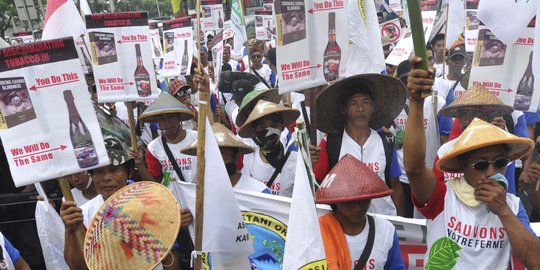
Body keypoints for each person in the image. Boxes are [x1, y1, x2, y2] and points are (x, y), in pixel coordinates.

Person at [404, 57, 538, 268]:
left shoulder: (512, 205)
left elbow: (535, 261)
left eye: (500, 162)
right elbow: (414, 168)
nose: (491, 172)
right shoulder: (443, 198)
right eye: (481, 165)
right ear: (462, 166)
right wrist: (417, 101)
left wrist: (502, 210)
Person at [60, 137, 180, 270]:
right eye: (98, 172)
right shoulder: (83, 214)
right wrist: (69, 230)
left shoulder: (151, 200)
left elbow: (169, 256)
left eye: (113, 170)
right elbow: (77, 267)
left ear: (129, 172)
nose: (106, 178)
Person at [313, 74, 407, 216]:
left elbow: (395, 185)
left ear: (373, 107)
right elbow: (318, 185)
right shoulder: (331, 143)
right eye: (353, 103)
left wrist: (402, 224)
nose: (360, 109)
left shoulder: (386, 141)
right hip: (345, 224)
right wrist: (310, 162)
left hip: (384, 221)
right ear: (344, 109)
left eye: (365, 102)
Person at [317, 154, 405, 269]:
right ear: (336, 201)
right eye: (350, 202)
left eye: (364, 199)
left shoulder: (386, 231)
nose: (358, 207)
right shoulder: (318, 232)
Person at [181, 122, 270, 193]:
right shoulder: (198, 194)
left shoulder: (258, 192)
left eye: (221, 155)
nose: (214, 162)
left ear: (236, 157)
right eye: (209, 157)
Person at [237, 100, 300, 196]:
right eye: (262, 127)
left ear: (282, 127)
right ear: (254, 132)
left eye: (274, 125)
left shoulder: (296, 161)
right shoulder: (249, 158)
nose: (269, 131)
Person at [136, 92, 197, 184]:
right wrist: (140, 164)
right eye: (162, 119)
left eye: (171, 117)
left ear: (179, 118)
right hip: (171, 197)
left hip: (199, 194)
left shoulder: (196, 138)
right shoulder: (153, 148)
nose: (167, 122)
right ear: (157, 122)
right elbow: (155, 183)